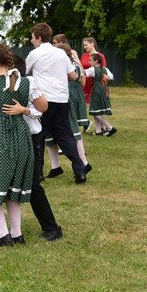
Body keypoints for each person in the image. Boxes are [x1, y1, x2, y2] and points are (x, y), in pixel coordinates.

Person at [0, 54, 63, 241]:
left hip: (28, 137)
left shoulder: (25, 85)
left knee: (31, 183)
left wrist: (24, 110)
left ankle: (51, 228)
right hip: (6, 138)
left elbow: (42, 108)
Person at [25, 23, 87, 184]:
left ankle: (37, 174)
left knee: (39, 136)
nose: (31, 40)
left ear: (38, 37)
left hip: (44, 101)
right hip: (61, 100)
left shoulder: (34, 54)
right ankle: (80, 171)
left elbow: (23, 72)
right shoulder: (61, 53)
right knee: (65, 136)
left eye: (32, 37)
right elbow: (73, 76)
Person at [46, 43, 92, 178]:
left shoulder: (64, 65)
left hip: (62, 100)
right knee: (62, 134)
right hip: (67, 98)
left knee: (70, 133)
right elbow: (82, 81)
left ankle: (83, 163)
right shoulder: (75, 63)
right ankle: (57, 166)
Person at [85, 53, 117, 136]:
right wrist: (106, 78)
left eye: (90, 60)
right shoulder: (105, 69)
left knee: (95, 111)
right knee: (97, 110)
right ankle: (98, 130)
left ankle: (109, 127)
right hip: (103, 89)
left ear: (95, 61)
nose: (89, 62)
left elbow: (84, 73)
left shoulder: (93, 69)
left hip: (97, 90)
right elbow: (111, 77)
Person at [80, 37, 106, 105]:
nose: (85, 47)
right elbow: (80, 68)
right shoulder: (84, 55)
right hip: (84, 83)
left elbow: (103, 71)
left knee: (94, 106)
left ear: (92, 43)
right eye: (84, 45)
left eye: (86, 45)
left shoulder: (100, 56)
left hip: (94, 84)